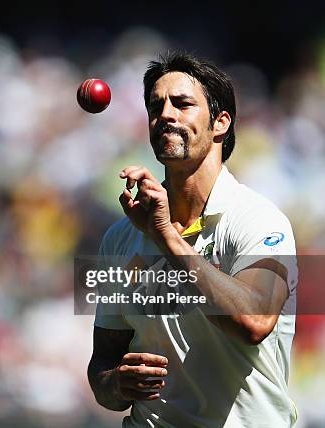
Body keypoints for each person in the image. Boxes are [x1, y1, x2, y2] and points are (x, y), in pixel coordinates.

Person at [87, 51, 298, 427]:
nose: (165, 114)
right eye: (156, 106)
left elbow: (254, 321)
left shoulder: (259, 220)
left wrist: (167, 237)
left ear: (220, 123)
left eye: (182, 104)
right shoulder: (119, 238)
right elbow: (102, 366)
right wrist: (118, 383)